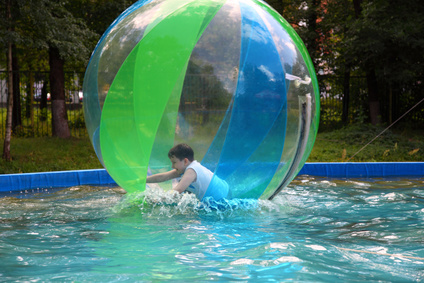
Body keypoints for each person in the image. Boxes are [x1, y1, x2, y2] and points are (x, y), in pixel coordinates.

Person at [147, 143, 227, 201]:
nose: (172, 166)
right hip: (221, 193)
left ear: (185, 161)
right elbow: (163, 177)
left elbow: (177, 190)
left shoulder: (191, 170)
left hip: (222, 197)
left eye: (174, 162)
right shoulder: (186, 169)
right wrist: (143, 180)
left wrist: (157, 199)